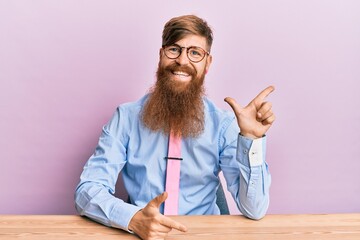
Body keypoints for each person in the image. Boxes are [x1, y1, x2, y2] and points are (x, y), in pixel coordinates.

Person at [75, 14, 275, 240]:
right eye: (174, 49)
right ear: (161, 56)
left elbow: (255, 209)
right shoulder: (126, 118)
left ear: (207, 63)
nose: (182, 60)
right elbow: (87, 190)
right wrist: (132, 218)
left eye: (195, 53)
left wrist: (251, 140)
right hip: (141, 235)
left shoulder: (223, 125)